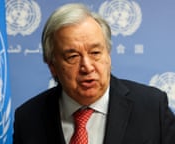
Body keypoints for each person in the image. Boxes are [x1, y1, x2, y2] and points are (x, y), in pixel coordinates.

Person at [13, 3, 175, 144]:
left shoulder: (152, 107)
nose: (87, 67)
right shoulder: (28, 118)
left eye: (95, 53)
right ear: (52, 65)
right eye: (73, 56)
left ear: (108, 55)